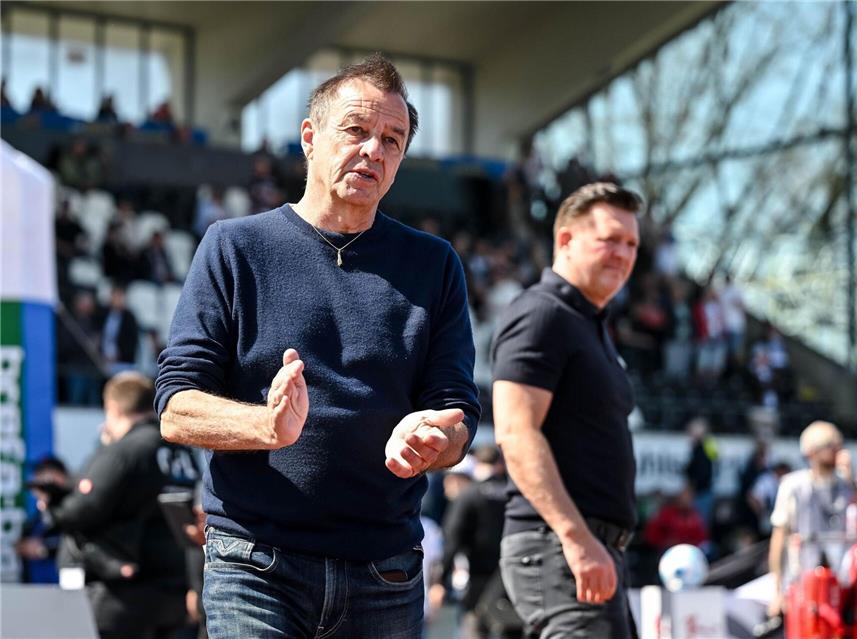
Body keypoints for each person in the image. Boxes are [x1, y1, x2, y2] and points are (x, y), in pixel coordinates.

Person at [155, 53, 480, 639]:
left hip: (385, 572)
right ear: (310, 137)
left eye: (392, 140)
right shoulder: (234, 247)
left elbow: (458, 409)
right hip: (255, 563)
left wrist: (436, 437)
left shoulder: (434, 265)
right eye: (356, 130)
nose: (374, 150)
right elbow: (176, 408)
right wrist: (266, 426)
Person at [492, 182, 643, 638]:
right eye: (610, 240)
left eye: (631, 244)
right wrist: (576, 538)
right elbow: (516, 433)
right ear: (566, 240)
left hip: (585, 547)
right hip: (561, 545)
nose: (623, 254)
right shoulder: (543, 314)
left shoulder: (588, 324)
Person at [36, 372, 200, 639]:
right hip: (174, 588)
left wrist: (52, 507)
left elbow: (83, 510)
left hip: (124, 592)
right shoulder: (181, 451)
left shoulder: (125, 451)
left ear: (113, 408)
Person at [766, 421, 857, 620]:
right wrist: (777, 591)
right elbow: (779, 538)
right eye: (830, 446)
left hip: (845, 588)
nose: (838, 451)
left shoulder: (852, 485)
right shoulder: (793, 486)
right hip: (803, 586)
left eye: (839, 445)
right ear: (811, 452)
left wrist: (853, 481)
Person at [433, 445, 516, 639]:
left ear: (477, 463)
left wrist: (440, 580)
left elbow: (453, 538)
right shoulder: (514, 496)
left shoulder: (469, 495)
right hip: (512, 577)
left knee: (475, 628)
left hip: (478, 579)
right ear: (500, 464)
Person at [17, 456, 70, 583]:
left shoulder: (75, 511)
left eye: (49, 477)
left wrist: (43, 549)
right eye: (39, 477)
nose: (42, 484)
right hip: (35, 590)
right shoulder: (35, 519)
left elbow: (80, 545)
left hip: (66, 588)